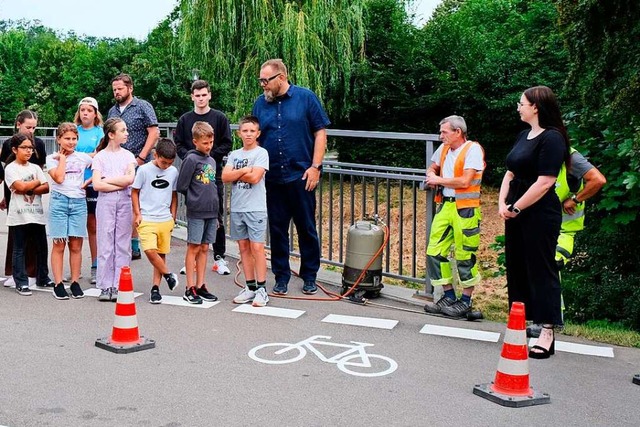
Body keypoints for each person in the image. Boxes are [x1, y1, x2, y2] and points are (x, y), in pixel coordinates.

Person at [499, 85, 570, 359]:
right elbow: (510, 172)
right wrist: (502, 204)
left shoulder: (552, 139)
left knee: (541, 269)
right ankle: (520, 323)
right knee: (517, 266)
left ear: (536, 107)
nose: (518, 107)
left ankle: (547, 331)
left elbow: (545, 182)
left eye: (522, 103)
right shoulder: (523, 135)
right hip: (515, 208)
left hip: (539, 213)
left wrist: (516, 207)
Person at [252, 58, 331, 295]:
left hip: (301, 175)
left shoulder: (306, 98)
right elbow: (254, 137)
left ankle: (309, 275)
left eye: (266, 80)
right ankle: (281, 276)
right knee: (277, 229)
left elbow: (320, 132)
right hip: (272, 177)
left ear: (281, 78)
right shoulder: (260, 104)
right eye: (261, 81)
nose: (263, 85)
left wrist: (315, 166)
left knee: (306, 227)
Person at [527, 149, 606, 337]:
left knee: (548, 268)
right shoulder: (544, 154)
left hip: (564, 230)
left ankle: (547, 321)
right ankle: (552, 319)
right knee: (546, 271)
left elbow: (598, 180)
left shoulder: (569, 157)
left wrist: (575, 199)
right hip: (546, 228)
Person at [423, 115, 485, 318]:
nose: (440, 136)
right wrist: (432, 173)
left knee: (465, 254)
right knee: (434, 251)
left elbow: (466, 180)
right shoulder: (444, 149)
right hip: (445, 206)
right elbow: (432, 166)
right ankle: (449, 296)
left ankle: (465, 301)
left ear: (457, 132)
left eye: (444, 132)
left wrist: (438, 179)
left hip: (465, 209)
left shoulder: (472, 149)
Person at [174, 79, 233, 276]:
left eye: (203, 95)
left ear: (209, 95)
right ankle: (192, 256)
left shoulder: (220, 118)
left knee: (216, 214)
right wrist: (192, 157)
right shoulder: (184, 120)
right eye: (197, 95)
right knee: (195, 214)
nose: (200, 98)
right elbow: (179, 144)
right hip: (193, 173)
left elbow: (227, 143)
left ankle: (219, 257)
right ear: (192, 97)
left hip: (213, 172)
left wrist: (209, 157)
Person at [107, 73, 160, 260]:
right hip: (116, 163)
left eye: (120, 88)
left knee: (135, 202)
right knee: (118, 203)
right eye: (114, 89)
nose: (117, 92)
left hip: (138, 161)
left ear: (130, 88)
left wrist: (141, 158)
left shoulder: (142, 106)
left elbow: (154, 132)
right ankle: (120, 243)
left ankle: (135, 245)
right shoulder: (112, 111)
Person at [222, 115, 270, 307]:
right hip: (238, 208)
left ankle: (262, 289)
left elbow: (256, 178)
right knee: (243, 247)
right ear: (239, 133)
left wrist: (238, 174)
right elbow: (225, 176)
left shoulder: (261, 153)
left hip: (255, 208)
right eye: (245, 131)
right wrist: (244, 171)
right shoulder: (234, 155)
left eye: (252, 131)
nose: (248, 134)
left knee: (257, 248)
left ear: (258, 133)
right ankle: (249, 287)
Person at [1, 110, 50, 289]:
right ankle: (15, 273)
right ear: (18, 125)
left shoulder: (39, 144)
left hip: (33, 192)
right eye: (28, 127)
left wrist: (33, 185)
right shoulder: (8, 144)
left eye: (34, 127)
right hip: (14, 191)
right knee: (17, 236)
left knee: (35, 236)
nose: (31, 131)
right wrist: (4, 197)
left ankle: (33, 272)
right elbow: (6, 172)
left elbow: (41, 172)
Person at [46, 123, 93, 300]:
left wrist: (89, 182)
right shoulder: (52, 158)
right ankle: (58, 283)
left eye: (74, 139)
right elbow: (58, 178)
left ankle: (75, 281)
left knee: (76, 244)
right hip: (59, 201)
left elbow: (100, 164)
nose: (71, 142)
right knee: (59, 243)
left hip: (79, 201)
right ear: (59, 139)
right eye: (67, 139)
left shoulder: (83, 158)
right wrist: (63, 159)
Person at [92, 118, 136, 302]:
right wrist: (118, 182)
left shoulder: (128, 156)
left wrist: (107, 180)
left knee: (122, 243)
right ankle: (105, 285)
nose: (126, 133)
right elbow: (96, 184)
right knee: (105, 241)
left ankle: (119, 284)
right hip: (106, 202)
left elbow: (130, 179)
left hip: (124, 202)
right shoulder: (100, 156)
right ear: (111, 134)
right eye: (122, 130)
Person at [131, 138, 180, 304]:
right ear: (155, 154)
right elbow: (135, 192)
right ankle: (168, 275)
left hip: (164, 218)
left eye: (169, 163)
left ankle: (156, 288)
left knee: (160, 253)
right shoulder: (144, 170)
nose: (166, 166)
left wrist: (173, 216)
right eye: (163, 161)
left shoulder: (173, 171)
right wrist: (137, 213)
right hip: (147, 217)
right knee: (149, 250)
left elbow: (174, 195)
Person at [176, 121, 219, 304]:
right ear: (195, 142)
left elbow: (213, 185)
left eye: (210, 143)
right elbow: (182, 185)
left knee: (204, 247)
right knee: (193, 246)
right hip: (197, 210)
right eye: (204, 143)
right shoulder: (191, 159)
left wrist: (217, 214)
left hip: (211, 210)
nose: (208, 147)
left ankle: (201, 285)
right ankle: (189, 287)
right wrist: (194, 200)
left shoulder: (211, 161)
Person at [74, 97, 104, 285]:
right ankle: (74, 267)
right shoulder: (73, 131)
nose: (85, 113)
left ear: (95, 114)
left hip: (92, 183)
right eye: (82, 110)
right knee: (76, 226)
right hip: (74, 184)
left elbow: (99, 155)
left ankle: (96, 265)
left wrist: (80, 156)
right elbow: (66, 152)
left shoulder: (100, 133)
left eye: (89, 110)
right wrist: (87, 156)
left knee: (93, 225)